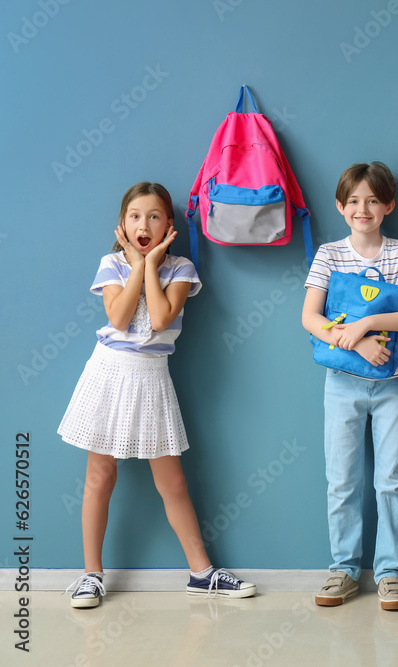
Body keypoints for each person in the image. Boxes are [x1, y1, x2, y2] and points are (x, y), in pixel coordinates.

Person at [59, 182, 256, 609]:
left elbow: (162, 318)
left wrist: (148, 264)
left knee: (173, 482)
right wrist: (134, 265)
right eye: (135, 216)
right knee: (99, 477)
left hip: (152, 378)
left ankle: (202, 573)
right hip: (108, 374)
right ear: (122, 225)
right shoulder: (110, 264)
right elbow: (120, 316)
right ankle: (91, 575)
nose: (143, 224)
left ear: (169, 224)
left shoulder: (181, 268)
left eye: (153, 216)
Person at [302, 162, 398, 611]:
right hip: (341, 384)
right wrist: (355, 345)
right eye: (354, 200)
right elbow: (310, 318)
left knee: (393, 480)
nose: (363, 208)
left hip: (395, 385)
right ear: (340, 207)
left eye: (373, 200)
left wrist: (369, 322)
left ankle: (390, 573)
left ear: (388, 205)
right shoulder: (329, 254)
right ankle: (343, 569)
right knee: (342, 480)